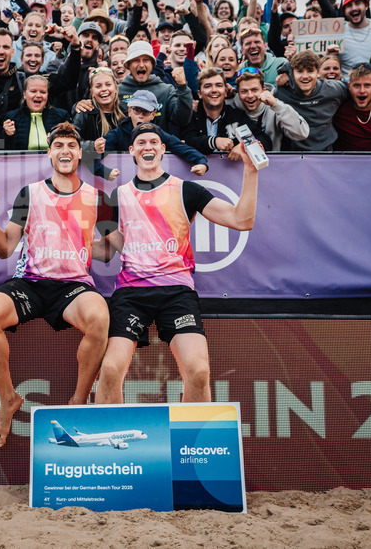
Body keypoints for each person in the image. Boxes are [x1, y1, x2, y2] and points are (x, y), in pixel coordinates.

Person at [95, 121, 259, 404]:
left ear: (162, 149)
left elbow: (241, 220)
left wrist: (251, 170)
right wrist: (70, 243)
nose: (148, 147)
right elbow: (106, 251)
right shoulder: (116, 197)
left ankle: (192, 444)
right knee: (109, 370)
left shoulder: (187, 190)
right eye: (142, 143)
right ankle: (111, 443)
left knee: (198, 372)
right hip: (131, 294)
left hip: (176, 293)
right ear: (132, 150)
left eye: (153, 143)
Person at [0, 122, 111, 446]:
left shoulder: (98, 198)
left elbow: (107, 250)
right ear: (49, 153)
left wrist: (117, 234)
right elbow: (5, 248)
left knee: (100, 317)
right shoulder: (29, 193)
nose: (65, 151)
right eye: (58, 145)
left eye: (71, 146)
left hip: (73, 286)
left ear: (80, 153)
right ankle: (7, 398)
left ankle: (79, 401)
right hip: (31, 282)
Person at [118, 41, 193, 133]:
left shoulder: (166, 90)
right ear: (128, 65)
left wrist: (183, 87)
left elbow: (183, 120)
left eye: (146, 60)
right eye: (136, 60)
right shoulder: (118, 91)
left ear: (152, 64)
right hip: (124, 147)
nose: (141, 65)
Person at [230, 67, 309, 150]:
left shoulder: (276, 107)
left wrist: (277, 105)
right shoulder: (231, 108)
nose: (250, 96)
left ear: (264, 89)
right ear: (238, 92)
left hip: (273, 160)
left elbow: (301, 134)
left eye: (254, 90)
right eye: (244, 91)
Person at [0, 75, 69, 150]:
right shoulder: (10, 117)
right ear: (24, 94)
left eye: (43, 92)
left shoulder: (62, 116)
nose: (38, 95)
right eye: (33, 91)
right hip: (21, 161)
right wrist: (8, 135)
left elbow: (72, 144)